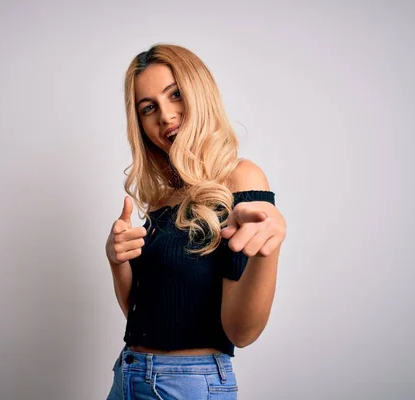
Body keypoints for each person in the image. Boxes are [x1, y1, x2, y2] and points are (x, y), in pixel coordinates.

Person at [104, 44, 287, 399]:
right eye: (148, 108)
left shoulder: (241, 178)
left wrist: (269, 250)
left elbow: (242, 333)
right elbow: (140, 316)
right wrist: (117, 261)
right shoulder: (163, 195)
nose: (166, 116)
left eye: (175, 95)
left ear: (199, 93)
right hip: (127, 377)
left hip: (186, 385)